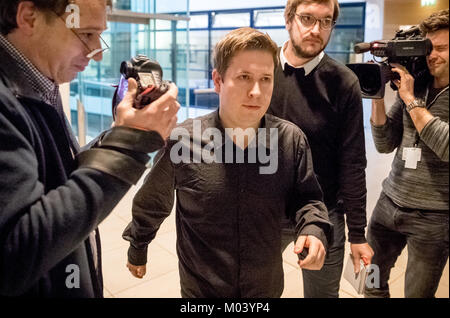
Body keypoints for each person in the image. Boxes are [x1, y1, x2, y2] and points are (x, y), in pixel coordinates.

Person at [122, 27, 333, 298]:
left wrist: (313, 229)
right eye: (244, 77)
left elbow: (308, 199)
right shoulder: (182, 141)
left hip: (264, 289)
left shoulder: (290, 140)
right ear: (218, 81)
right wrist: (138, 246)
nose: (257, 91)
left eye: (266, 78)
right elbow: (153, 200)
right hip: (203, 291)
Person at [0, 0, 179, 297]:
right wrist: (128, 145)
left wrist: (118, 134)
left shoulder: (40, 83)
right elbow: (16, 251)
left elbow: (58, 181)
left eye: (99, 35)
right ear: (29, 17)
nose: (97, 54)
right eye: (86, 34)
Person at [268, 0, 374, 298]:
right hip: (265, 208)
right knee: (252, 290)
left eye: (325, 21)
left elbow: (353, 162)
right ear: (288, 20)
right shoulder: (262, 71)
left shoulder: (343, 82)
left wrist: (357, 233)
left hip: (323, 209)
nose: (316, 29)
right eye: (307, 18)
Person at [365, 9, 449, 298]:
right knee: (372, 279)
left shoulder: (413, 93)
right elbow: (385, 143)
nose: (432, 55)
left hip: (434, 218)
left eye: (441, 48)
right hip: (389, 204)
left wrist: (411, 100)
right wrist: (376, 96)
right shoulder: (418, 83)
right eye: (429, 48)